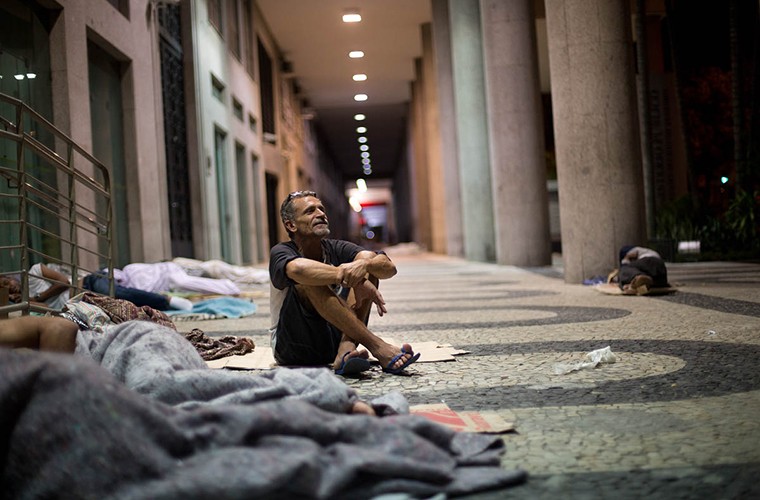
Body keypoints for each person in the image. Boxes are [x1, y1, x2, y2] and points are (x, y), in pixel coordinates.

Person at [269, 190, 419, 376]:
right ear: (291, 225)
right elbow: (297, 270)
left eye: (321, 209)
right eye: (310, 211)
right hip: (294, 347)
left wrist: (363, 266)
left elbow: (388, 268)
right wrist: (343, 274)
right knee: (308, 278)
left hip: (334, 339)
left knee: (369, 264)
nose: (321, 214)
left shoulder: (335, 247)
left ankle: (346, 348)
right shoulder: (282, 251)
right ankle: (377, 346)